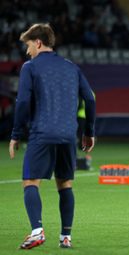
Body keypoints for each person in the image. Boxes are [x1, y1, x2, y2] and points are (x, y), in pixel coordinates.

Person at [9, 23, 95, 249]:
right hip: (68, 135)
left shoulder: (30, 67)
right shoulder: (72, 67)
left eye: (28, 45)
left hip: (42, 134)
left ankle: (37, 231)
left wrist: (16, 133)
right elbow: (90, 99)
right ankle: (65, 237)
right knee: (65, 184)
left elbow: (23, 101)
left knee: (30, 182)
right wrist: (89, 132)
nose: (27, 51)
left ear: (38, 42)